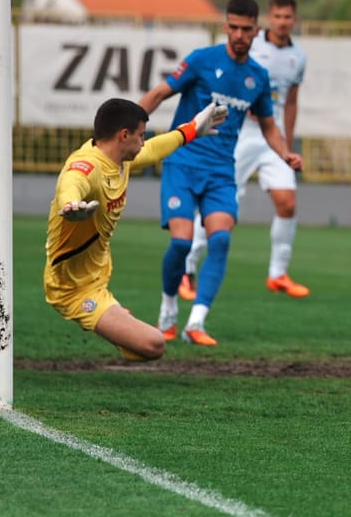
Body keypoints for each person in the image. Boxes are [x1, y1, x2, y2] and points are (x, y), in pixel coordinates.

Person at [138, 0, 303, 347]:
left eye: (246, 29)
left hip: (221, 171)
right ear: (226, 27)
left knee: (221, 240)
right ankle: (168, 310)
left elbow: (269, 125)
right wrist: (130, 124)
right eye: (234, 27)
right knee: (181, 242)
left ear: (256, 31)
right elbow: (162, 92)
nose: (240, 35)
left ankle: (196, 322)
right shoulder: (202, 60)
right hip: (183, 163)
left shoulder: (257, 77)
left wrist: (285, 153)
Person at [43, 97, 225, 361]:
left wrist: (191, 130)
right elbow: (72, 182)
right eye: (140, 135)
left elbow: (153, 150)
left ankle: (114, 317)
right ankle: (109, 317)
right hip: (71, 288)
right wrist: (70, 204)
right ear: (124, 135)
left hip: (96, 276)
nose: (143, 141)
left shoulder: (118, 159)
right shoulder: (88, 165)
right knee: (154, 345)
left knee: (146, 340)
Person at [178, 0, 310, 301]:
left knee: (288, 203)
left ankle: (278, 273)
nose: (282, 22)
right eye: (277, 16)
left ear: (295, 20)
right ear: (268, 19)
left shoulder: (298, 57)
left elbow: (291, 101)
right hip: (241, 135)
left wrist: (288, 143)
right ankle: (187, 268)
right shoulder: (251, 43)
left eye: (288, 17)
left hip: (273, 137)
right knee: (218, 205)